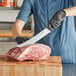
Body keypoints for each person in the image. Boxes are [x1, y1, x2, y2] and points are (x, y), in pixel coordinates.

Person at [12, 0, 76, 63]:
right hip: (41, 56)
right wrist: (18, 36)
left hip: (68, 56)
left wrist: (64, 12)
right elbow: (18, 24)